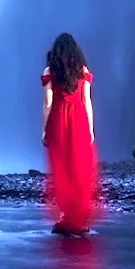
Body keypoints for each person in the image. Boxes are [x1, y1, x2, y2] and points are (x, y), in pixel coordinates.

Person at [41, 32, 99, 235]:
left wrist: (44, 129)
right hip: (79, 120)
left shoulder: (51, 71)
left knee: (62, 169)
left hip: (59, 120)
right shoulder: (82, 71)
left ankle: (65, 216)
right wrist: (90, 129)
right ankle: (80, 218)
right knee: (79, 167)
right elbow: (86, 101)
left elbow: (48, 103)